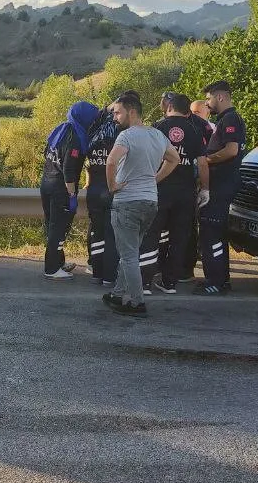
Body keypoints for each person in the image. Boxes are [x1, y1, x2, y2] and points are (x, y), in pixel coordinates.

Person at [103, 94, 179, 316]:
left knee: (128, 256)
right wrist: (154, 179)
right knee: (132, 250)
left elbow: (111, 161)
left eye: (118, 112)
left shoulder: (126, 136)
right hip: (150, 202)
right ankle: (117, 293)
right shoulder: (157, 135)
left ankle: (137, 303)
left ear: (131, 111)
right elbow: (174, 159)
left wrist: (112, 186)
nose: (115, 117)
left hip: (127, 202)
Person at [141, 93, 209, 294]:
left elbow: (146, 158)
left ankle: (145, 282)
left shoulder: (157, 128)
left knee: (151, 235)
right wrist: (205, 189)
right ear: (188, 112)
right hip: (185, 193)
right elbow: (203, 163)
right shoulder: (195, 130)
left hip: (160, 190)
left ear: (169, 107)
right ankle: (170, 282)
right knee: (179, 238)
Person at [194, 80, 247, 296]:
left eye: (209, 98)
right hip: (220, 184)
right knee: (214, 233)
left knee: (212, 233)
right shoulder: (225, 119)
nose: (207, 103)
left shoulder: (231, 119)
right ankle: (220, 279)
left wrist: (208, 160)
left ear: (221, 97)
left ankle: (215, 281)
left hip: (221, 184)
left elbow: (232, 150)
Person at [40, 101, 97, 280]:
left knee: (52, 226)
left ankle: (58, 262)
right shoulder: (76, 137)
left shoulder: (62, 129)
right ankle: (51, 269)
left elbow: (45, 153)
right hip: (61, 188)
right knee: (59, 228)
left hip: (46, 183)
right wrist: (72, 194)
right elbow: (69, 169)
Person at [85, 95, 124, 287]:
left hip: (93, 190)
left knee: (97, 233)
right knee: (111, 235)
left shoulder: (92, 135)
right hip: (112, 190)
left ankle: (96, 273)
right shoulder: (119, 137)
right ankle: (109, 277)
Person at [182, 99, 216, 282]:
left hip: (201, 179)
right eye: (192, 112)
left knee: (196, 224)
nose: (194, 115)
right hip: (190, 179)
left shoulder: (210, 129)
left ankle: (193, 261)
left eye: (198, 112)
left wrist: (205, 186)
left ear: (206, 113)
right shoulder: (190, 128)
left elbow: (207, 158)